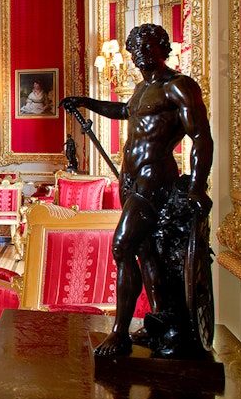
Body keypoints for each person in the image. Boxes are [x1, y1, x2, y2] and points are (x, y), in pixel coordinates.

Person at [62, 23, 213, 358]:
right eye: (134, 50)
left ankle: (120, 333)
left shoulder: (179, 86)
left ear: (162, 47)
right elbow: (124, 111)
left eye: (146, 47)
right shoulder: (142, 88)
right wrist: (86, 102)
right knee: (146, 251)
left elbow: (201, 137)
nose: (139, 55)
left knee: (122, 246)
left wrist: (198, 186)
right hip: (130, 179)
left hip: (154, 178)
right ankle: (159, 319)